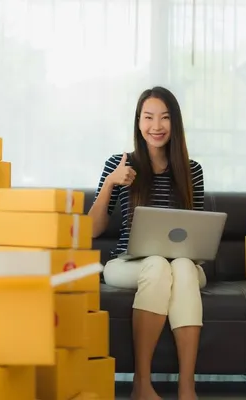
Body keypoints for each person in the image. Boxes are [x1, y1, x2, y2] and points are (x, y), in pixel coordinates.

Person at [88, 86, 206, 400]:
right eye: (149, 117)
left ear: (175, 124)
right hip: (127, 264)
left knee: (178, 265)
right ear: (139, 123)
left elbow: (200, 230)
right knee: (156, 264)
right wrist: (112, 182)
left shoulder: (192, 170)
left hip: (182, 265)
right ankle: (141, 384)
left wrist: (190, 256)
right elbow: (93, 229)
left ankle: (186, 388)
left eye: (164, 118)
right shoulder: (120, 163)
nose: (156, 126)